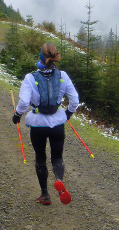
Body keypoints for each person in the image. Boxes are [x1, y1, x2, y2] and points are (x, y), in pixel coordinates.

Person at [12, 42, 79, 205]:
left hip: (38, 124)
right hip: (57, 123)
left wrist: (17, 115)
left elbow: (24, 102)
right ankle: (59, 179)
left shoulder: (30, 78)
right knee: (57, 157)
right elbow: (75, 100)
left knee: (40, 157)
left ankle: (45, 195)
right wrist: (68, 113)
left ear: (41, 57)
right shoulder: (63, 75)